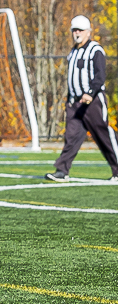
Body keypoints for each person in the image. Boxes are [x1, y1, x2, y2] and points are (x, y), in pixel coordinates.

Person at [47, 15, 118, 182]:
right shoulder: (74, 51)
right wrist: (71, 98)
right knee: (72, 136)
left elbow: (100, 75)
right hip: (75, 102)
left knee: (103, 135)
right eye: (74, 30)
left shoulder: (95, 50)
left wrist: (90, 92)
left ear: (88, 32)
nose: (77, 33)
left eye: (80, 30)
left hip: (92, 101)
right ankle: (62, 170)